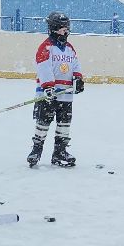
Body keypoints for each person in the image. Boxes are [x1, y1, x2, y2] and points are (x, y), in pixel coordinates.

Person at [29, 11, 84, 168]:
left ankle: (60, 152)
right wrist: (48, 87)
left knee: (64, 123)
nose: (66, 31)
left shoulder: (69, 48)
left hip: (65, 94)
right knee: (43, 122)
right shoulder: (46, 47)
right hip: (48, 93)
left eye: (67, 27)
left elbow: (75, 64)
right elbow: (43, 68)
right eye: (63, 28)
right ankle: (36, 150)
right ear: (54, 28)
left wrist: (78, 78)